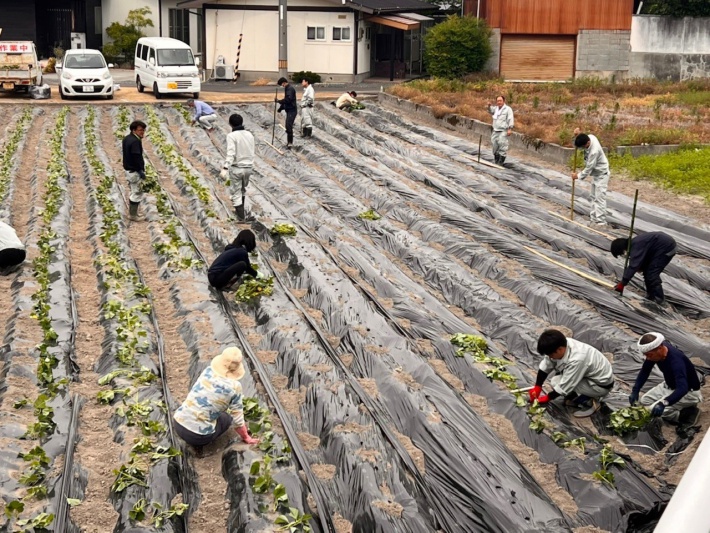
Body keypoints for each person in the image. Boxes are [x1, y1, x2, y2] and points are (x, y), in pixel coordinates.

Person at [173, 347, 259, 454]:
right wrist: (246, 437)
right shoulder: (235, 387)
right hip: (198, 437)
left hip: (177, 423)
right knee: (226, 418)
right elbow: (237, 420)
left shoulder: (207, 371)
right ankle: (203, 445)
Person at [528, 329, 614, 416]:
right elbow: (546, 365)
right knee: (558, 380)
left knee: (556, 382)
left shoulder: (577, 359)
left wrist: (547, 397)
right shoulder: (561, 344)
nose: (550, 357)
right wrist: (538, 386)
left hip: (599, 385)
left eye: (551, 355)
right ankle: (578, 396)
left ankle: (591, 402)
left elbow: (564, 386)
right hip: (588, 377)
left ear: (560, 350)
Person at [629, 332, 702, 425]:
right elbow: (645, 371)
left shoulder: (676, 362)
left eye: (649, 355)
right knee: (644, 400)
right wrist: (635, 390)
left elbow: (682, 388)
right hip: (669, 385)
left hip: (688, 392)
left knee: (653, 411)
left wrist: (664, 403)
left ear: (659, 349)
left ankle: (687, 414)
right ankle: (678, 404)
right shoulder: (656, 353)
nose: (647, 358)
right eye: (646, 355)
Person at [610, 231, 677, 305]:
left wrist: (623, 283)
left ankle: (659, 299)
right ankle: (651, 295)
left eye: (622, 253)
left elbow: (633, 266)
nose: (624, 255)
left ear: (622, 249)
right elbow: (641, 260)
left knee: (652, 273)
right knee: (647, 271)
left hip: (667, 248)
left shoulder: (636, 245)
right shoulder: (635, 243)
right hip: (661, 247)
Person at [220, 114, 256, 222]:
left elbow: (231, 152)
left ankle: (241, 218)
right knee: (242, 190)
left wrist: (225, 168)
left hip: (237, 168)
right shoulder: (249, 134)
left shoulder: (232, 136)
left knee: (236, 192)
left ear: (230, 123)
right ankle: (241, 213)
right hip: (248, 167)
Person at [572, 133, 610, 226]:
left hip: (602, 174)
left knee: (599, 198)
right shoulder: (590, 137)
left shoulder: (594, 151)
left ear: (588, 143)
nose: (583, 148)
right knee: (593, 197)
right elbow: (583, 136)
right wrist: (577, 134)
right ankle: (594, 218)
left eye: (584, 146)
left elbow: (589, 167)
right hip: (596, 174)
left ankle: (601, 222)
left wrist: (578, 176)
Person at [122, 120, 147, 222]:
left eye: (143, 130)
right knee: (137, 192)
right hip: (134, 171)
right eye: (140, 130)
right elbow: (136, 156)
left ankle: (134, 213)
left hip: (128, 169)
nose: (142, 133)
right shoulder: (135, 141)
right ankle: (133, 215)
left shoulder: (127, 138)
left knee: (135, 190)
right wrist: (140, 170)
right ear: (134, 130)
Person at [487, 95, 514, 166]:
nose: (499, 102)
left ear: (504, 101)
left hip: (503, 130)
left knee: (502, 145)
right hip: (495, 130)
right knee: (495, 146)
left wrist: (510, 129)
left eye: (500, 101)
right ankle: (496, 160)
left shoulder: (508, 109)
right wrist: (489, 106)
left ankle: (500, 162)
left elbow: (510, 119)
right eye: (498, 101)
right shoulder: (496, 109)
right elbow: (490, 111)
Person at [276, 77, 297, 149]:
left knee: (289, 126)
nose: (282, 86)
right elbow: (286, 100)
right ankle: (289, 142)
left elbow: (288, 99)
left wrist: (279, 101)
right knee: (288, 126)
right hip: (289, 110)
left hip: (292, 110)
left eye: (282, 85)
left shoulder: (290, 89)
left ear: (284, 83)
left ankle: (290, 143)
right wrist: (281, 108)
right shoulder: (287, 88)